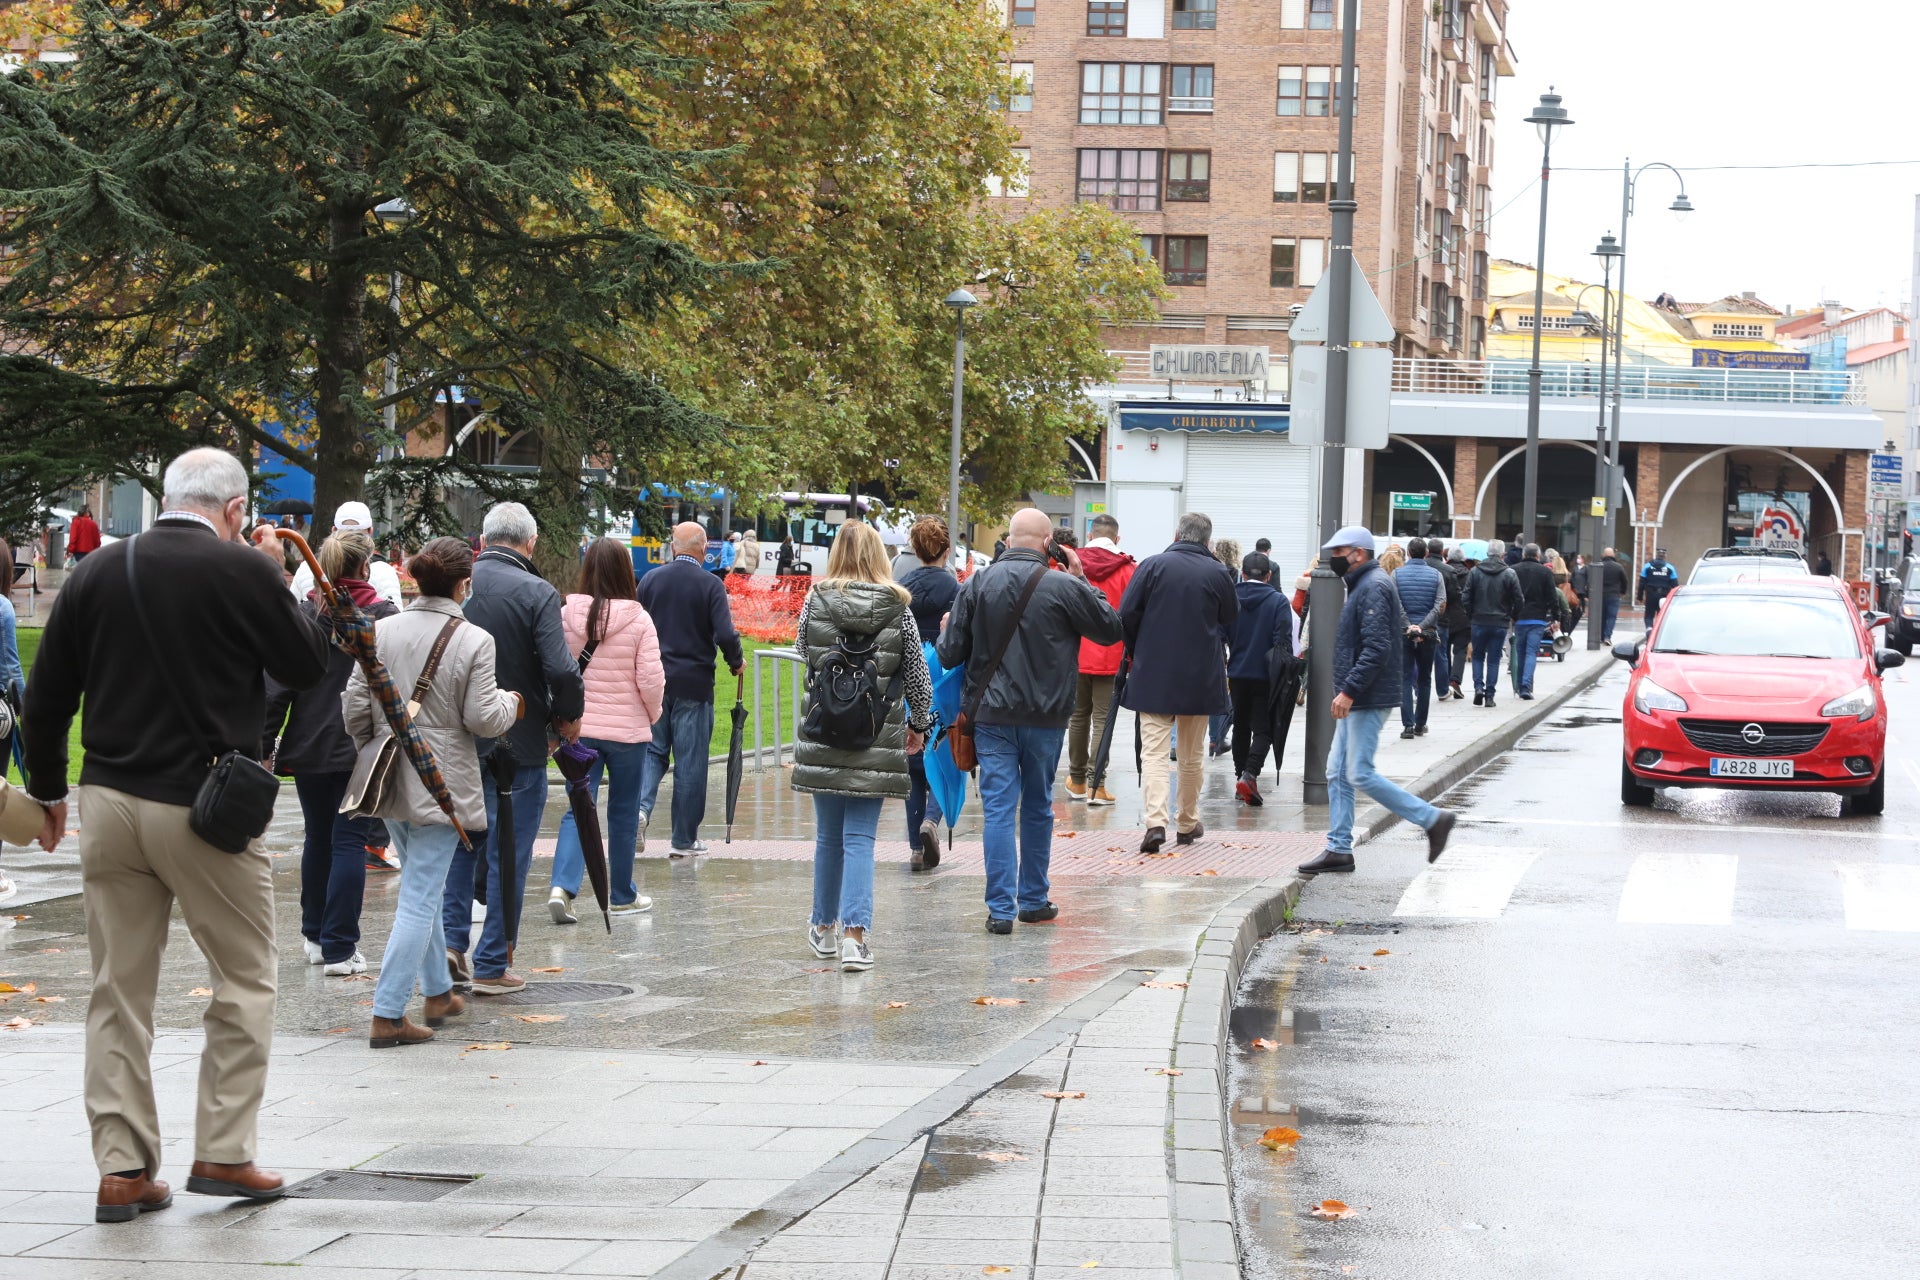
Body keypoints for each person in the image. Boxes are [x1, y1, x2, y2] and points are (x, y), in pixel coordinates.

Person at [21, 447, 331, 1221]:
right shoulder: (244, 570)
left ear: (166, 499)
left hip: (110, 799)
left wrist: (51, 790)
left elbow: (49, 693)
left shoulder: (96, 573)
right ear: (233, 509)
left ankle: (123, 1170)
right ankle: (224, 1150)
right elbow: (305, 661)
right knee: (245, 974)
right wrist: (273, 575)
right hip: (204, 803)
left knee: (117, 991)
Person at [346, 538, 521, 1048]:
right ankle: (387, 1013)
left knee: (421, 890)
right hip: (441, 785)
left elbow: (354, 709)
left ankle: (440, 991)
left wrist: (375, 748)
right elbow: (483, 719)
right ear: (465, 584)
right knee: (421, 898)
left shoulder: (379, 630)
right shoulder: (474, 640)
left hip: (389, 776)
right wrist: (513, 704)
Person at [937, 508, 1122, 933]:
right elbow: (1111, 629)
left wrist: (948, 629)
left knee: (999, 809)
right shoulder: (1062, 585)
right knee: (1038, 806)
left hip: (992, 717)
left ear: (1007, 541)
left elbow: (949, 654)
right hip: (1046, 717)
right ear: (1047, 545)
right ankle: (1033, 899)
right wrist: (1080, 578)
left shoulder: (977, 584)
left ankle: (1000, 910)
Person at [443, 502, 584, 997]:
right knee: (510, 852)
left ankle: (450, 944)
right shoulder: (536, 591)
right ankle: (493, 961)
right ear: (530, 543)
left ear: (483, 539)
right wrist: (568, 717)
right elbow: (561, 669)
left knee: (460, 846)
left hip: (457, 739)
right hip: (517, 743)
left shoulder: (459, 582)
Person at [791, 523, 934, 971]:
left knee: (827, 838)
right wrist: (918, 725)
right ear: (879, 554)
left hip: (824, 732)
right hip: (875, 733)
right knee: (860, 839)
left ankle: (824, 929)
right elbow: (917, 679)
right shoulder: (899, 608)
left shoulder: (814, 601)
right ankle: (856, 937)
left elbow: (803, 652)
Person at [262, 532, 398, 977]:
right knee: (348, 841)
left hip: (310, 743)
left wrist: (265, 743)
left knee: (319, 836)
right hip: (361, 743)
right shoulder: (383, 618)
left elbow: (276, 686)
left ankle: (316, 936)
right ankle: (340, 945)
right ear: (365, 566)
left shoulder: (308, 616)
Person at [1297, 527, 1457, 876]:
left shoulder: (1372, 586)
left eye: (1339, 552)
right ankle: (1339, 849)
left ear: (1359, 553)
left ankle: (1433, 819)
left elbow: (1377, 648)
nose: (1333, 558)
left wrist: (1349, 690)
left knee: (1358, 773)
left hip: (1367, 696)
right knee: (1337, 773)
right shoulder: (1365, 584)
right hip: (1363, 694)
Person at [546, 538, 666, 925]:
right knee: (624, 811)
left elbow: (557, 669)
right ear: (624, 572)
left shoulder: (566, 614)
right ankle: (621, 894)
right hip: (627, 733)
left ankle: (562, 888)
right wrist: (651, 714)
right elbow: (650, 679)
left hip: (580, 730)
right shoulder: (639, 618)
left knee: (579, 808)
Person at [1119, 512, 1238, 854]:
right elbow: (1232, 620)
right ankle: (1187, 822)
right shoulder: (1217, 572)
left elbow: (1126, 613)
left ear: (1176, 534)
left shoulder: (1153, 566)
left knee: (1155, 752)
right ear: (1207, 541)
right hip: (1201, 674)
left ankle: (1155, 822)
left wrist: (1137, 647)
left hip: (1154, 672)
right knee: (1191, 754)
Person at [636, 521, 745, 856]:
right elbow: (725, 634)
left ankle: (639, 812)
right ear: (703, 547)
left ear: (673, 546)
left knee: (653, 753)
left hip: (654, 681)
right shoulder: (710, 585)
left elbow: (636, 627)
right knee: (690, 762)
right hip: (694, 684)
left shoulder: (651, 580)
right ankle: (683, 839)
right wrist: (735, 660)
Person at [898, 517, 958, 868]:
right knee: (944, 750)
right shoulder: (954, 588)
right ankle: (932, 820)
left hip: (910, 671)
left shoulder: (902, 586)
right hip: (943, 672)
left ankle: (916, 849)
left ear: (916, 550)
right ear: (946, 551)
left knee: (913, 755)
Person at [1066, 514, 1134, 806]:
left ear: (1090, 536)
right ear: (1117, 539)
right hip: (1111, 653)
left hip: (1075, 651)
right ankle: (1097, 784)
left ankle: (1077, 780)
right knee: (1102, 721)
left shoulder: (1071, 564)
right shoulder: (1130, 569)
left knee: (1078, 717)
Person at [1227, 551, 1297, 805]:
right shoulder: (1278, 601)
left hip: (1236, 673)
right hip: (1266, 676)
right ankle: (1250, 773)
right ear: (1268, 575)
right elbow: (1284, 642)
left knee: (1240, 726)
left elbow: (1222, 633)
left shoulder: (1231, 597)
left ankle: (1239, 779)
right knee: (1264, 729)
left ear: (1242, 573)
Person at [289, 502, 403, 606]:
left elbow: (292, 614)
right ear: (370, 531)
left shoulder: (308, 567)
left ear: (333, 530)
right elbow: (394, 622)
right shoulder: (384, 571)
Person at [1392, 536, 1446, 737]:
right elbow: (1440, 605)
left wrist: (1409, 625)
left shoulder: (1397, 575)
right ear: (1425, 553)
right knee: (1424, 678)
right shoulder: (1436, 575)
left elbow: (1395, 604)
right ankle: (1420, 724)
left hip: (1403, 634)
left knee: (1405, 678)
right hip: (1428, 634)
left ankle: (1407, 725)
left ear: (1408, 553)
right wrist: (1422, 627)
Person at [1460, 538, 1521, 708]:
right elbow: (1519, 598)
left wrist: (1472, 614)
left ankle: (1478, 688)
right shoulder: (1509, 573)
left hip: (1479, 621)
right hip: (1500, 622)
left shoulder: (1475, 572)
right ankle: (1489, 695)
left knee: (1478, 656)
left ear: (1487, 553)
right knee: (1494, 660)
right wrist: (1512, 615)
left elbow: (1465, 597)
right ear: (1503, 554)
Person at [1511, 543, 1567, 701]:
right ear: (1538, 555)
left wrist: (1511, 613)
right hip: (1537, 618)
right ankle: (1525, 686)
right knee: (1531, 652)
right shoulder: (1544, 572)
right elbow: (1552, 596)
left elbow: (1509, 593)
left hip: (1519, 618)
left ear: (1523, 555)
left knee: (1520, 652)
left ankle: (1519, 684)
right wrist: (1556, 616)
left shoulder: (1514, 570)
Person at [1207, 538, 1242, 756]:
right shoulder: (1235, 574)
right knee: (1220, 688)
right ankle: (1216, 738)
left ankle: (1175, 743)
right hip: (1225, 634)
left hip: (1209, 633)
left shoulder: (1212, 571)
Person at [1424, 538, 1460, 701]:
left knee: (1419, 654)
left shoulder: (1421, 567)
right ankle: (1442, 690)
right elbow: (1454, 595)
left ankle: (1419, 690)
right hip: (1441, 616)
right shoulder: (1448, 570)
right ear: (1441, 552)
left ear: (1427, 551)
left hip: (1420, 617)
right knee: (1441, 654)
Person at [1443, 546, 1472, 700]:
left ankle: (1446, 681)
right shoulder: (1469, 574)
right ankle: (1455, 680)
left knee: (1445, 651)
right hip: (1464, 618)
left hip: (1446, 617)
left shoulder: (1444, 572)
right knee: (1460, 651)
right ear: (1462, 559)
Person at [1596, 546, 1630, 643]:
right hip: (1614, 595)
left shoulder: (1599, 565)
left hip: (1600, 595)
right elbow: (1625, 581)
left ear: (1604, 555)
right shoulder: (1618, 566)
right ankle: (1607, 637)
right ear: (1613, 555)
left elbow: (1593, 580)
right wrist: (1623, 591)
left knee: (1602, 616)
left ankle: (1601, 637)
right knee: (1611, 616)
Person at [1640, 546, 1678, 628]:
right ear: (1665, 556)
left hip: (1650, 595)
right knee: (1661, 616)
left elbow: (1642, 583)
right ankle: (1657, 633)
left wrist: (1639, 597)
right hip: (1664, 596)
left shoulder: (1647, 566)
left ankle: (1649, 630)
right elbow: (1675, 585)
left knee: (1649, 615)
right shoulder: (1670, 568)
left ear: (1656, 555)